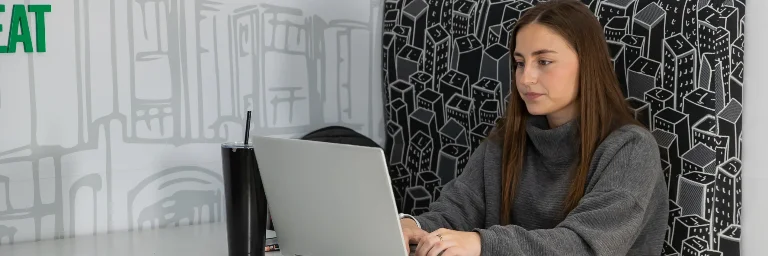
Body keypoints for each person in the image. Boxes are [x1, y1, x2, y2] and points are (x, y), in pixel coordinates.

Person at [397, 1, 669, 255]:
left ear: (587, 64)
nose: (525, 78)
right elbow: (456, 210)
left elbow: (583, 246)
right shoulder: (507, 140)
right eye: (519, 63)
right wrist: (414, 228)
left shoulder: (631, 149)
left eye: (544, 61)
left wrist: (483, 244)